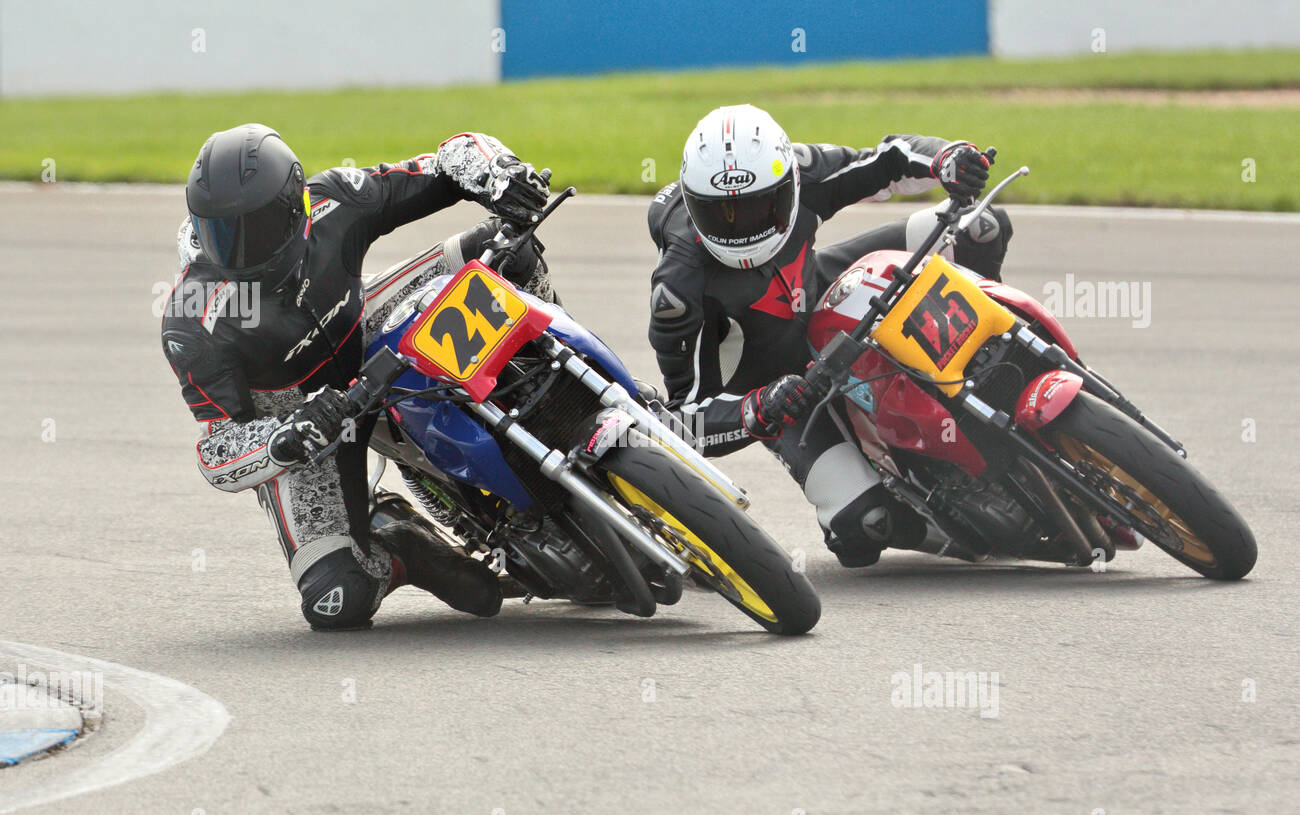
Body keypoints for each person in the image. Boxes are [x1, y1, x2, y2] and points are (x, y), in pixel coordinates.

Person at [162, 123, 555, 629]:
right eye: (219, 233)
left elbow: (446, 162)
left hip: (369, 329)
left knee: (505, 249)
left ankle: (577, 379)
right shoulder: (191, 316)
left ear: (295, 206)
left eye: (253, 231)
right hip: (307, 426)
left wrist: (500, 177)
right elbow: (217, 451)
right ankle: (400, 543)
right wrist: (285, 437)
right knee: (337, 600)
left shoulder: (333, 201)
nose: (237, 253)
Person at [647, 104, 1013, 567]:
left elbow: (887, 161)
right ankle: (949, 527)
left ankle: (998, 353)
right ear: (692, 203)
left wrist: (947, 158)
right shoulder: (677, 287)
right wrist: (757, 409)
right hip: (784, 391)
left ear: (787, 186)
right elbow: (680, 420)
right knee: (864, 524)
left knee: (981, 227)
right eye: (723, 214)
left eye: (760, 205)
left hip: (825, 292)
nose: (743, 227)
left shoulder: (802, 172)